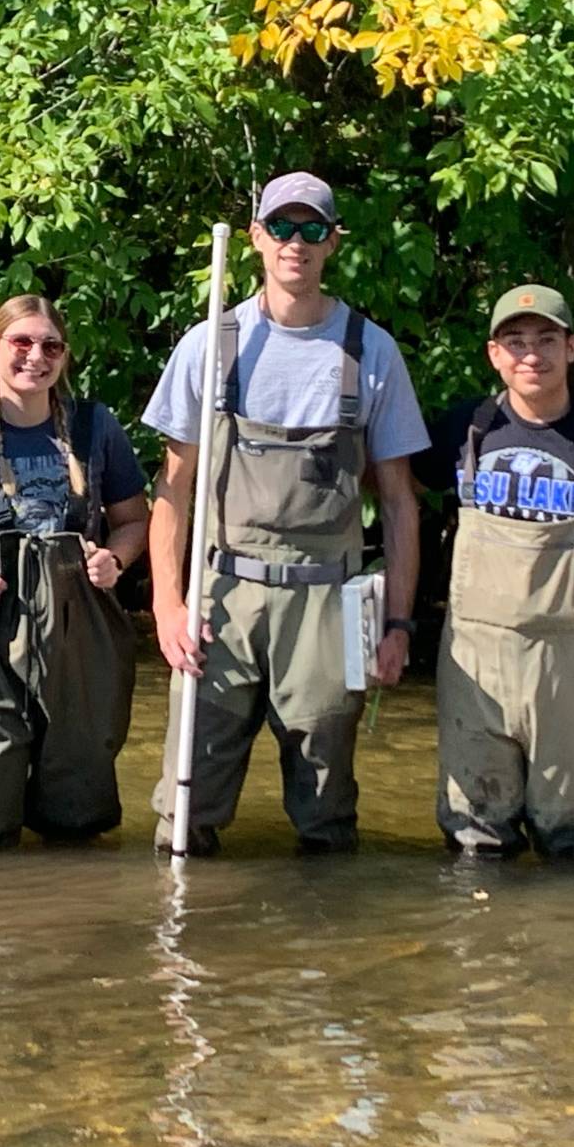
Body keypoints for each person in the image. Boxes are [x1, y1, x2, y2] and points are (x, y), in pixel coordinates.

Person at [144, 172, 429, 853]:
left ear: (332, 242)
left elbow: (398, 503)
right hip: (223, 596)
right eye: (280, 227)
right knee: (186, 806)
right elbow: (172, 491)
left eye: (310, 229)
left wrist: (397, 624)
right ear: (256, 238)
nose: (294, 243)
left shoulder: (372, 351)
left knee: (327, 810)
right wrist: (167, 606)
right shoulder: (209, 344)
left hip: (327, 602)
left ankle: (323, 917)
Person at [416, 285, 574, 858]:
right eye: (515, 341)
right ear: (494, 354)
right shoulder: (465, 428)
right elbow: (396, 493)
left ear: (572, 348)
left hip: (571, 667)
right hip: (474, 661)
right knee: (474, 840)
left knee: (573, 843)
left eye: (546, 340)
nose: (531, 354)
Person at [0, 295, 150, 849]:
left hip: (82, 628)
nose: (36, 356)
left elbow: (134, 521)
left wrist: (114, 560)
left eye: (51, 346)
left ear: (64, 357)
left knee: (77, 816)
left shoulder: (96, 426)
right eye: (21, 342)